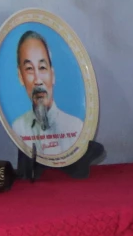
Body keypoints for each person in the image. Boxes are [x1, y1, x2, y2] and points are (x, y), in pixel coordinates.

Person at [8, 29, 84, 161]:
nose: (37, 80)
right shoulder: (18, 128)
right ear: (21, 77)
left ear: (52, 75)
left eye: (42, 67)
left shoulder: (76, 127)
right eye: (29, 69)